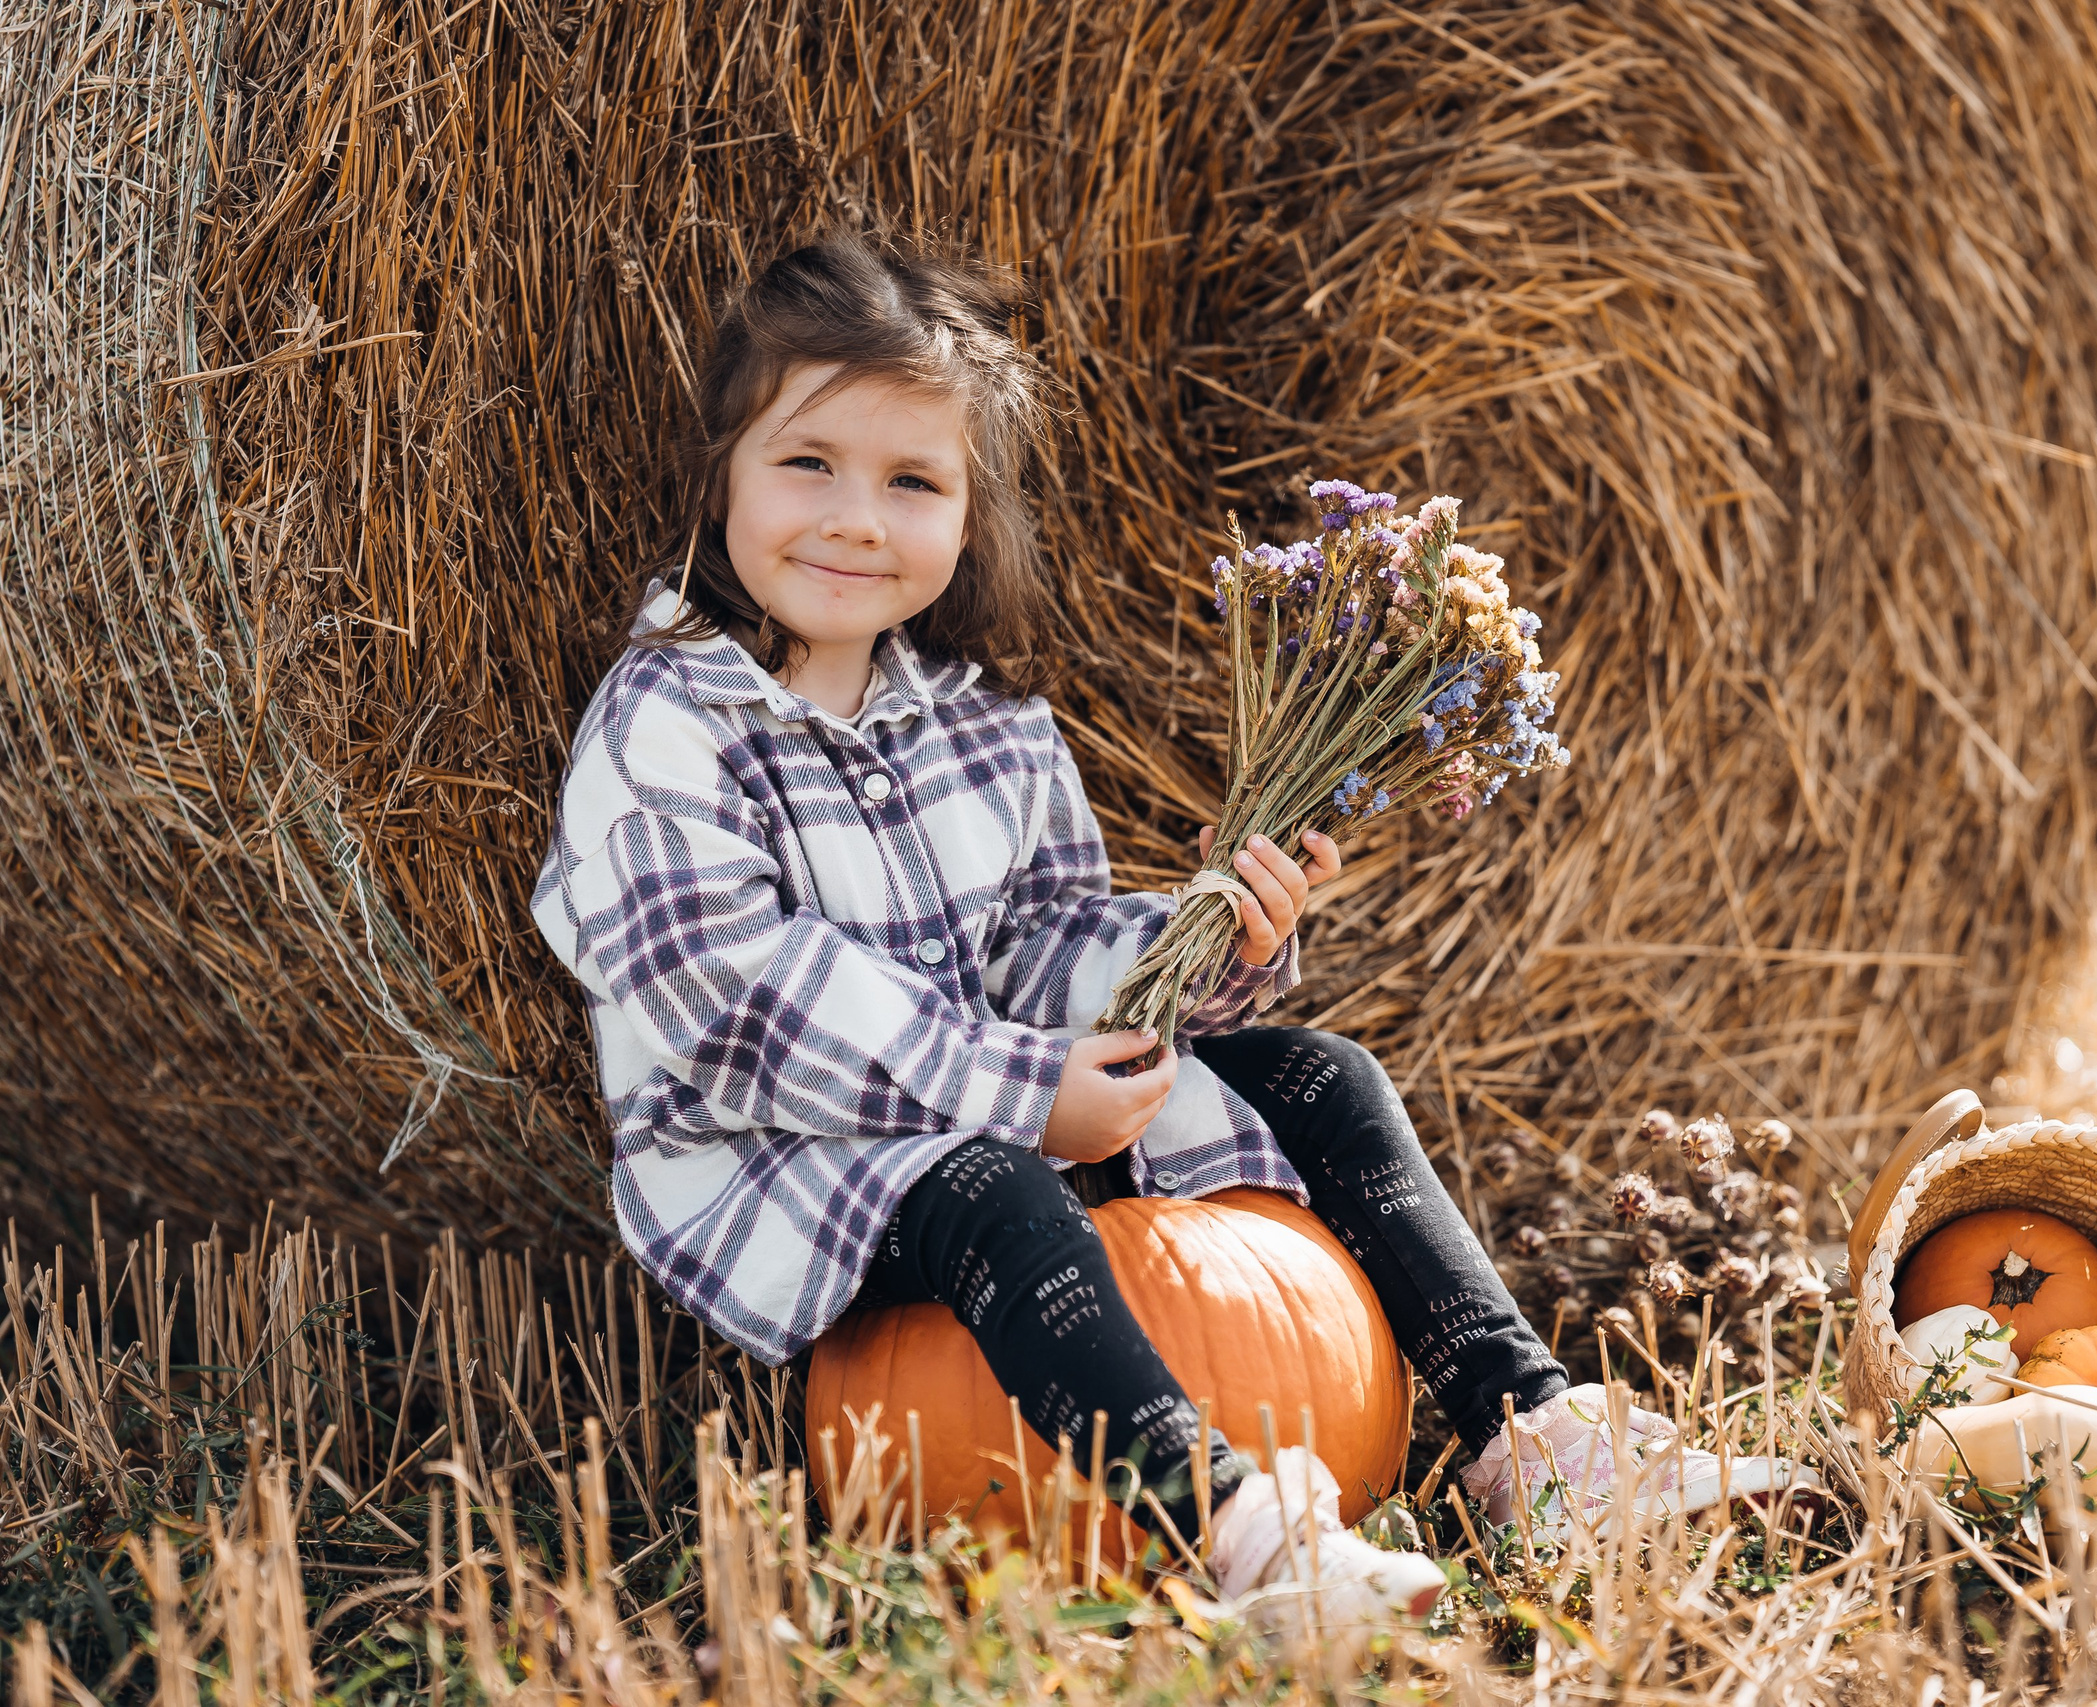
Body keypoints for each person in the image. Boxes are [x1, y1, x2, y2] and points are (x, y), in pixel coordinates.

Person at [532, 230, 1743, 1624]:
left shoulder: (985, 725)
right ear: (720, 477)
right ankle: (1235, 1529)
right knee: (993, 1187)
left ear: (971, 516)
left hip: (1011, 1105)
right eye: (807, 464)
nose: (858, 519)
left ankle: (1533, 1436)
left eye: (913, 481)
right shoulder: (669, 719)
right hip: (791, 1154)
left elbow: (1045, 945)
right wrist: (1013, 1090)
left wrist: (1204, 946)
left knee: (1323, 1077)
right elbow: (724, 991)